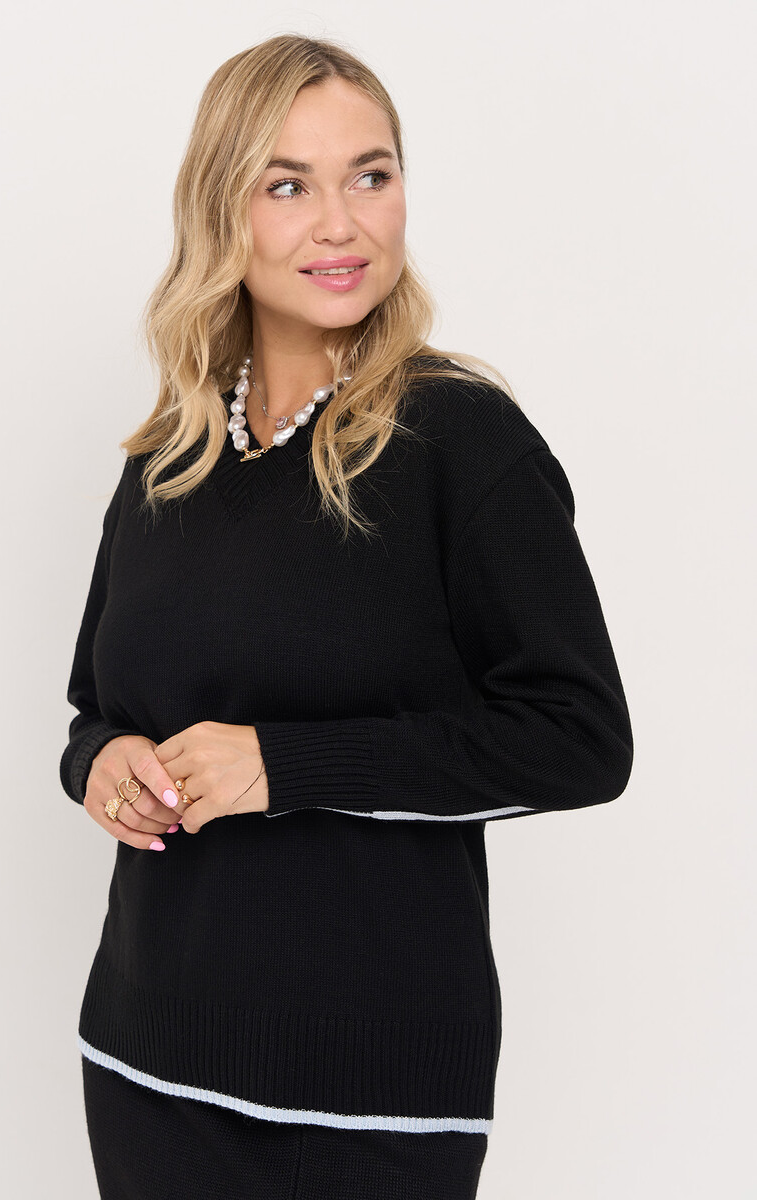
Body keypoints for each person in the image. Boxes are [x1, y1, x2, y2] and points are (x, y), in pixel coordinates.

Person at [58, 33, 634, 1200]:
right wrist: (102, 767)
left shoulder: (459, 439)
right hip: (144, 1061)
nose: (341, 224)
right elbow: (91, 712)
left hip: (367, 1102)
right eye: (289, 185)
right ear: (222, 212)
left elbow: (579, 738)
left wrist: (286, 766)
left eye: (371, 175)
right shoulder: (168, 455)